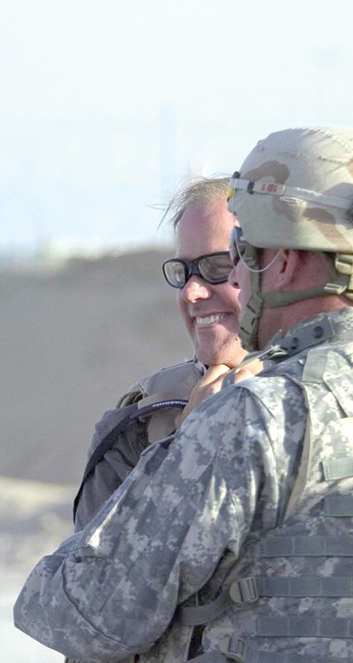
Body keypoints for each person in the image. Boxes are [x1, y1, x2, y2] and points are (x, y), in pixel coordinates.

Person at [15, 126, 353, 662]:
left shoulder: (255, 421)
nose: (230, 282)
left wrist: (180, 449)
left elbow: (80, 613)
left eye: (240, 255)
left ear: (285, 262)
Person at [73, 177, 249, 530]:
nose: (191, 292)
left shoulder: (348, 398)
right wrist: (186, 454)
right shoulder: (141, 426)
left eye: (217, 267)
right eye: (184, 273)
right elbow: (96, 576)